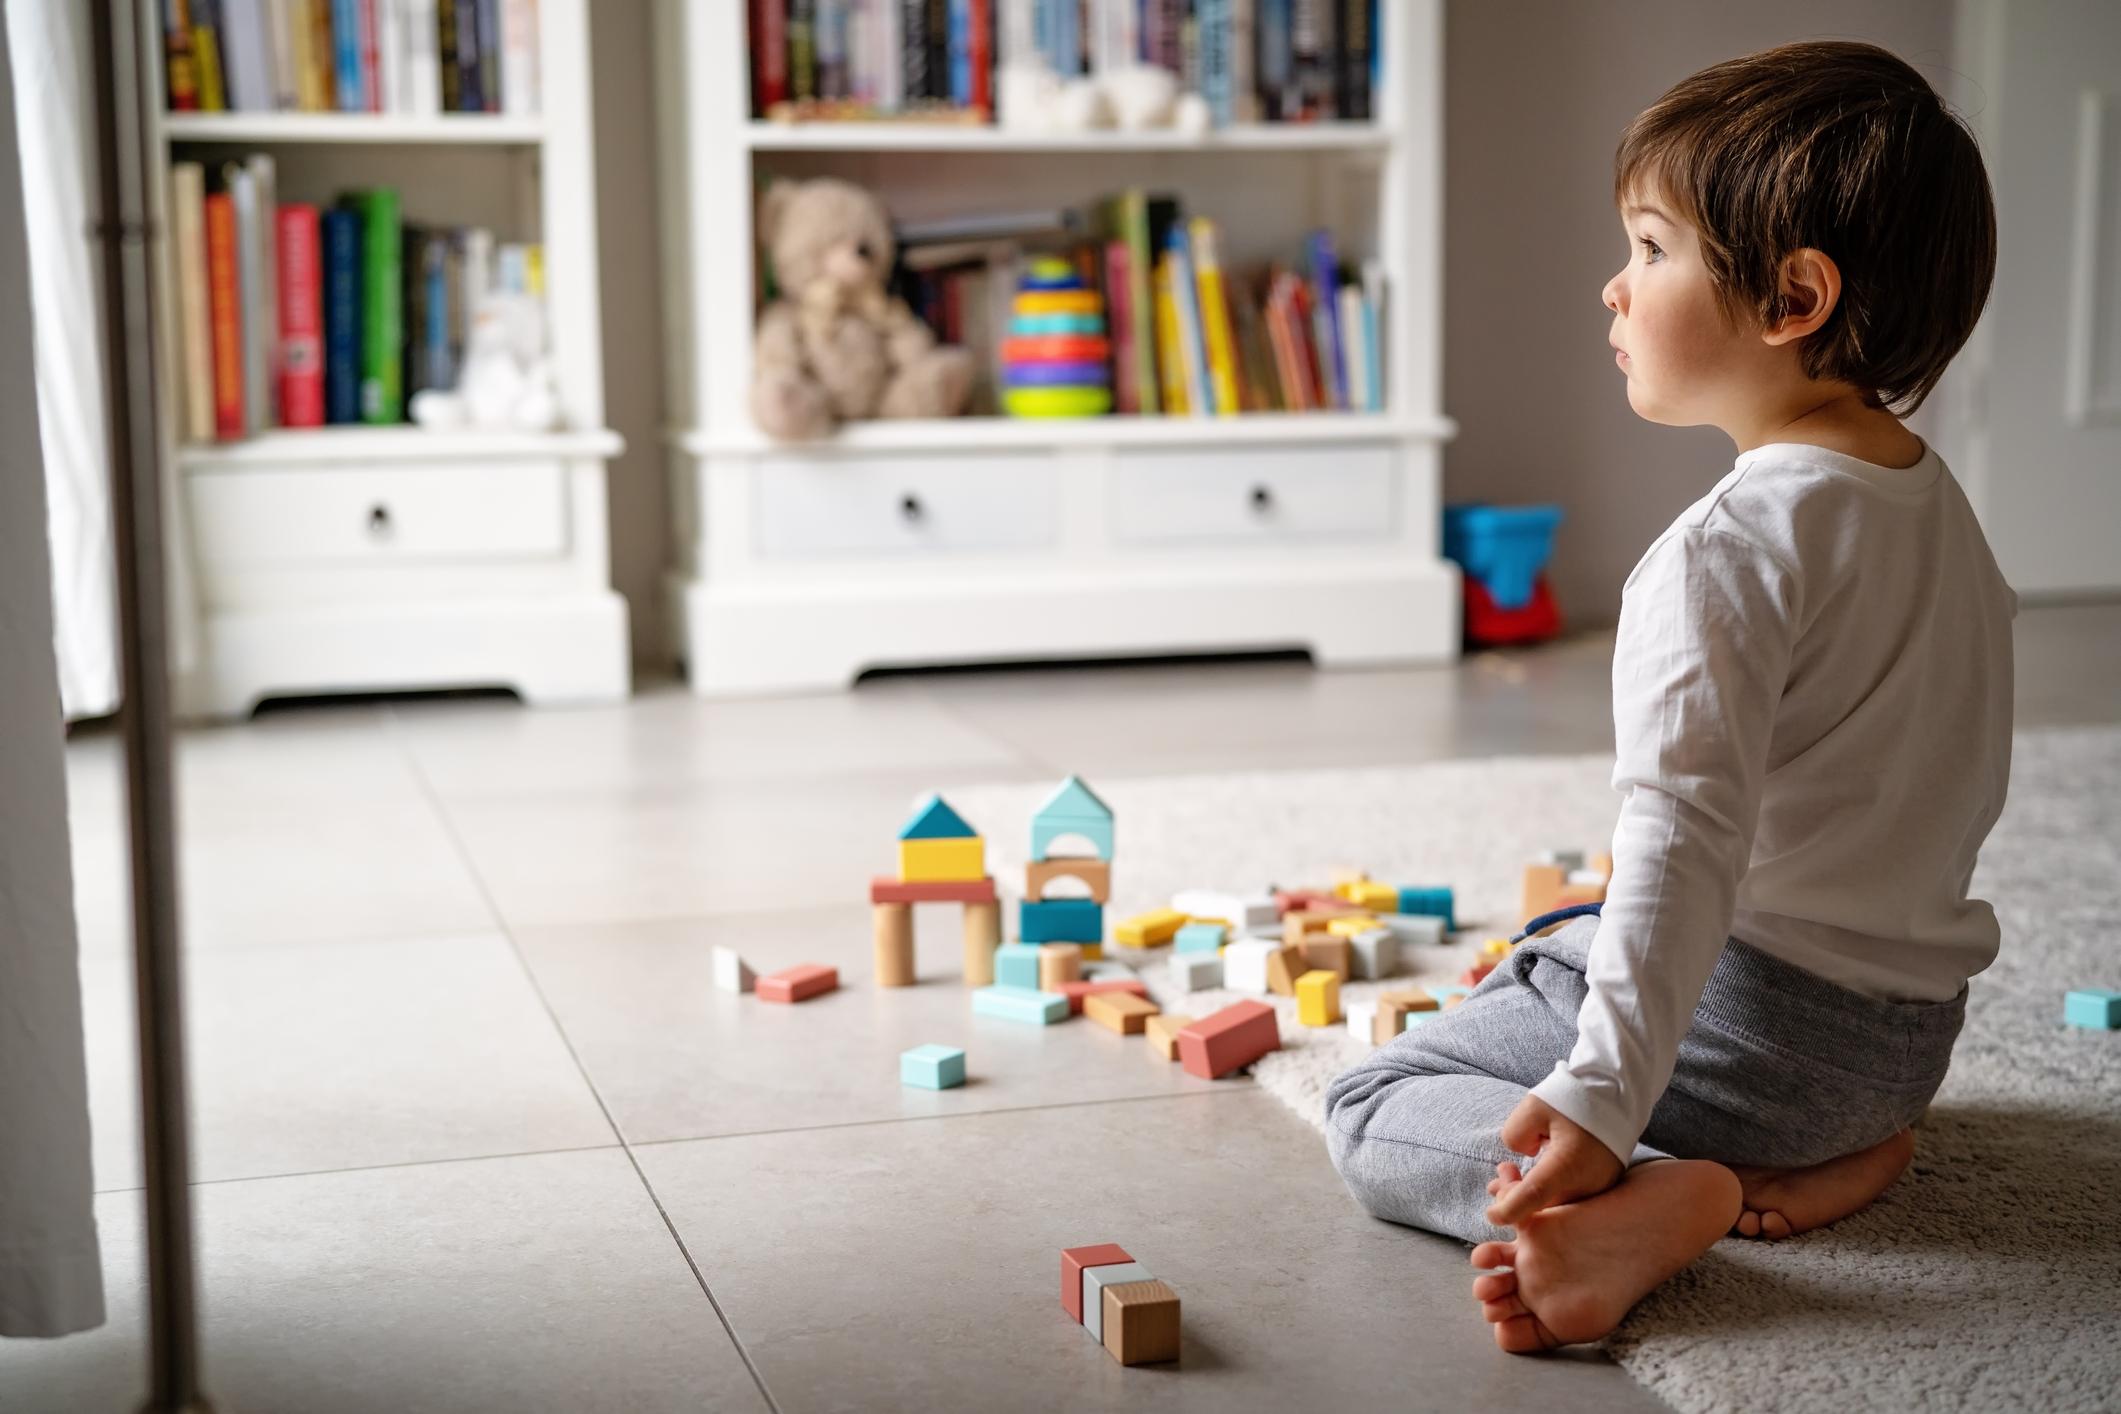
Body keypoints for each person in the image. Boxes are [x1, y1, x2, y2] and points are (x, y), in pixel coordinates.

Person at [1323, 38, 2015, 1354]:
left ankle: (1649, 1192)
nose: (1612, 287)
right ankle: (1842, 1153)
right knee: (1568, 935)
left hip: (1749, 1040)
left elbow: (1679, 849)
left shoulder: (1722, 552)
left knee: (1375, 1095)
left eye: (1648, 248)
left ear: (1790, 298)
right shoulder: (1940, 516)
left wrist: (1592, 1098)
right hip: (1894, 1048)